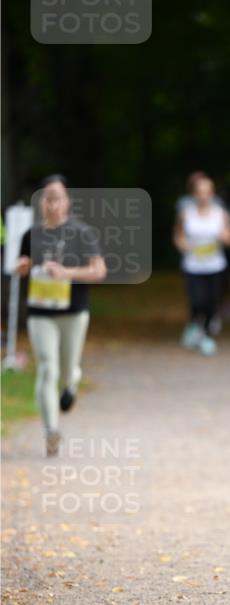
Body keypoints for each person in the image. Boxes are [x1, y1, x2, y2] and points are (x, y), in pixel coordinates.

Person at [15, 175, 107, 457]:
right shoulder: (30, 236)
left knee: (66, 370)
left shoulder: (81, 233)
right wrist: (23, 266)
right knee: (46, 367)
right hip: (40, 311)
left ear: (67, 202)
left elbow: (99, 271)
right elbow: (25, 266)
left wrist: (67, 273)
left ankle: (71, 383)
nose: (51, 203)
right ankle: (51, 431)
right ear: (41, 202)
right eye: (47, 198)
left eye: (57, 197)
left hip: (73, 311)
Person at [173, 173, 230, 355]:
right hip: (192, 265)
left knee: (211, 304)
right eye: (200, 192)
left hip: (215, 265)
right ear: (194, 194)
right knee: (196, 301)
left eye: (207, 192)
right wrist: (182, 244)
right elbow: (178, 235)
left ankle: (205, 334)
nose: (204, 195)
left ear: (212, 193)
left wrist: (225, 237)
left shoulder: (220, 214)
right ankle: (194, 326)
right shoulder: (186, 214)